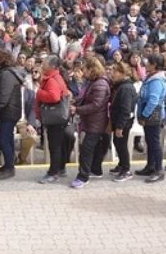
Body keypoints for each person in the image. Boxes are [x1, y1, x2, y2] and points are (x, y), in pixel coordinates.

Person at [0, 49, 26, 180]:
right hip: (9, 112)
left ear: (2, 59)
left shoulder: (6, 75)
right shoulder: (6, 73)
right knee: (8, 140)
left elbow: (3, 97)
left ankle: (9, 168)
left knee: (4, 140)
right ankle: (8, 164)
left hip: (9, 112)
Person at [69, 57, 111, 189]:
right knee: (96, 147)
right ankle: (96, 170)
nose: (83, 72)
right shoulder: (94, 82)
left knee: (86, 149)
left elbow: (96, 105)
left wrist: (77, 109)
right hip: (92, 121)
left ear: (92, 69)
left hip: (96, 122)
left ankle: (83, 176)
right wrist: (76, 101)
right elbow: (87, 97)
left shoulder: (100, 84)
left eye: (85, 69)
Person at [35, 55, 71, 184]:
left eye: (45, 63)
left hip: (55, 119)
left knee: (54, 146)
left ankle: (53, 173)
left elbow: (54, 97)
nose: (42, 65)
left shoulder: (52, 80)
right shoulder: (55, 77)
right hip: (59, 118)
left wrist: (39, 93)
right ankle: (61, 168)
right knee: (59, 145)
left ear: (52, 66)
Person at [135, 54, 166, 183]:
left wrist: (144, 115)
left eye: (148, 62)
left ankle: (159, 170)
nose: (146, 64)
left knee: (155, 143)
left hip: (153, 115)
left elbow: (153, 101)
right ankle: (150, 166)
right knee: (149, 141)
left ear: (154, 65)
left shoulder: (156, 81)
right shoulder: (151, 77)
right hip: (148, 114)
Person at [108, 62, 137, 182]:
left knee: (121, 144)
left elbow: (126, 110)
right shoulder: (119, 86)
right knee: (117, 142)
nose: (112, 74)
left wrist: (120, 126)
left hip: (123, 122)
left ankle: (126, 169)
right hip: (118, 120)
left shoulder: (126, 88)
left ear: (122, 73)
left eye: (115, 71)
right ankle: (121, 165)